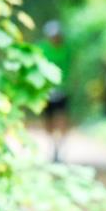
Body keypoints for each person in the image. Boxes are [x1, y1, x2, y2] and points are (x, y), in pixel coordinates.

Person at [40, 19, 69, 162]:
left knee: (62, 119)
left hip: (62, 90)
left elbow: (68, 69)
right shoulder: (42, 49)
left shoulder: (64, 50)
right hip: (46, 91)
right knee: (49, 121)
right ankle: (52, 145)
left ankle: (60, 148)